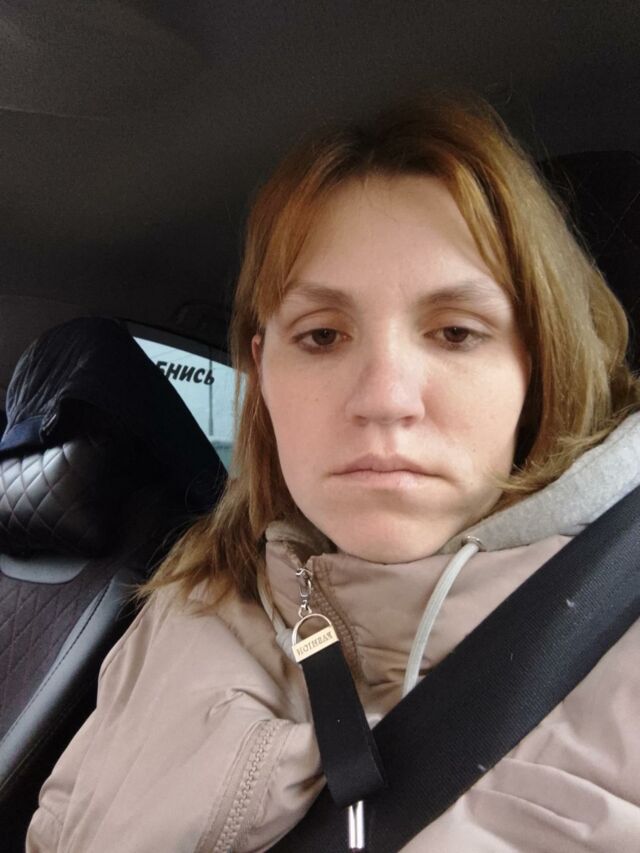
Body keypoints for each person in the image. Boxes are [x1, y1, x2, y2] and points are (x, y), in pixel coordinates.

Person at [27, 93, 640, 852]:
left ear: (535, 365)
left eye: (455, 332)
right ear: (262, 371)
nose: (384, 398)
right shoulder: (187, 600)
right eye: (321, 336)